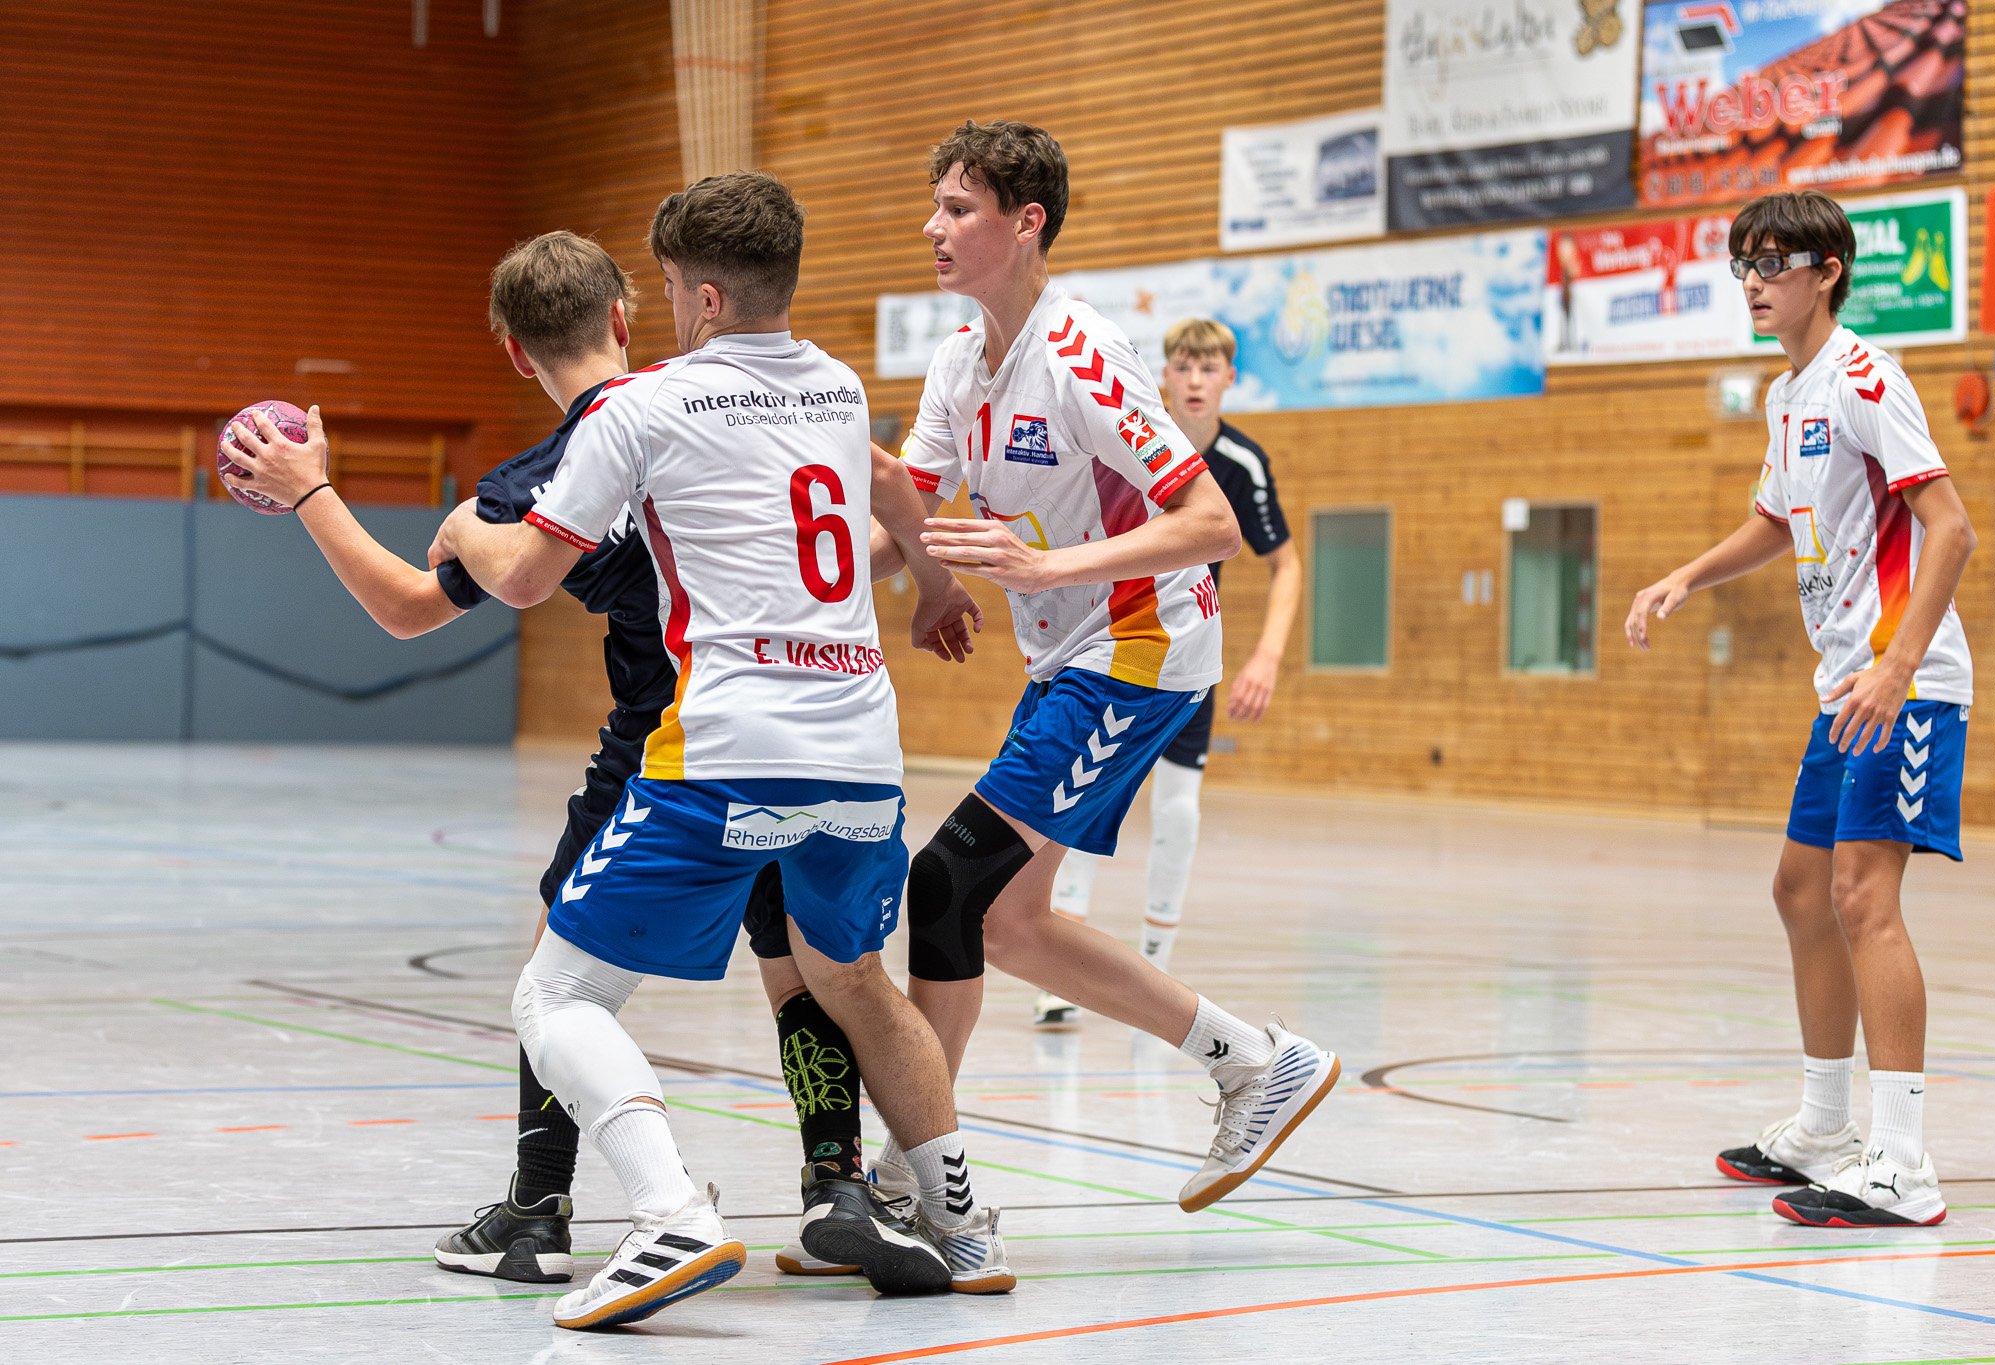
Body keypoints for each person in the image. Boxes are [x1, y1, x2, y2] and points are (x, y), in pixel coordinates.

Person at [227, 207, 999, 1324]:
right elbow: (887, 486)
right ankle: (866, 1192)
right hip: (846, 732)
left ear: (512, 347)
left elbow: (435, 598)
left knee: (558, 979)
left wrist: (328, 497)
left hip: (691, 742)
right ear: (626, 316)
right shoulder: (818, 385)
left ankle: (568, 1207)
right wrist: (929, 580)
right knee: (826, 976)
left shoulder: (608, 432)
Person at [875, 119, 1340, 1215]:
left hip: (1142, 648)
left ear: (1023, 222)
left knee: (945, 883)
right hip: (1068, 653)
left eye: (956, 208)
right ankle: (1251, 1062)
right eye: (935, 205)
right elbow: (910, 504)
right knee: (1009, 921)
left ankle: (914, 1181)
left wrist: (1043, 569)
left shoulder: (1083, 355)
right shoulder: (956, 358)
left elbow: (1212, 523)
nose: (931, 226)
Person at [1625, 190, 1976, 1229]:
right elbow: (1773, 521)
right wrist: (1684, 576)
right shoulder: (1787, 396)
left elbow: (1949, 529)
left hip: (1900, 686)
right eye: (1741, 262)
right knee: (1797, 889)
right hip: (1842, 690)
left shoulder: (1865, 378)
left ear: (1826, 269)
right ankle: (1823, 1125)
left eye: (1771, 262)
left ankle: (1901, 1164)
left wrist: (1897, 663)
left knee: (1863, 898)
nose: (1750, 280)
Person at [1032, 316, 1301, 1028]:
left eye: (1207, 368)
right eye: (1181, 366)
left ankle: (1155, 958)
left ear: (1227, 380)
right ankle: (1065, 966)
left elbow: (1287, 565)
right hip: (1113, 643)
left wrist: (1267, 654)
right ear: (1164, 375)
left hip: (1188, 657)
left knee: (1178, 812)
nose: (1192, 380)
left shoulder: (1241, 465)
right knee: (1079, 801)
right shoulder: (1142, 446)